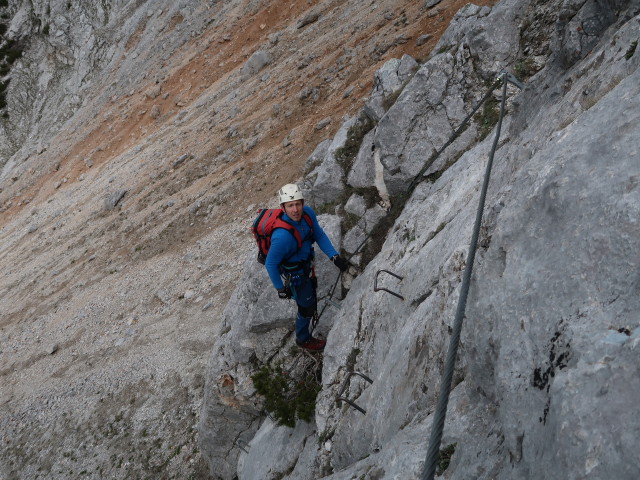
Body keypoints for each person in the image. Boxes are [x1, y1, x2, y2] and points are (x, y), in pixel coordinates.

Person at [265, 183, 349, 351]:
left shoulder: (308, 214)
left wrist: (334, 256)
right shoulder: (281, 237)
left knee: (310, 294)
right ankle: (302, 338)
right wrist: (280, 289)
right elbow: (270, 264)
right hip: (295, 273)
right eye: (290, 205)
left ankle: (307, 320)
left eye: (297, 204)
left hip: (305, 264)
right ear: (283, 208)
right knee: (306, 307)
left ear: (303, 203)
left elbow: (318, 234)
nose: (295, 209)